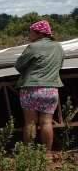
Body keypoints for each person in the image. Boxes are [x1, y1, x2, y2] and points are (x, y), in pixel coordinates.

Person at [15, 20, 65, 152]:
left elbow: (18, 66)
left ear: (39, 34)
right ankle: (46, 154)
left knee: (30, 123)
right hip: (51, 90)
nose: (29, 35)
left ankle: (28, 154)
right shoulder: (58, 47)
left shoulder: (33, 47)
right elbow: (59, 66)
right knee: (46, 123)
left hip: (31, 89)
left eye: (31, 32)